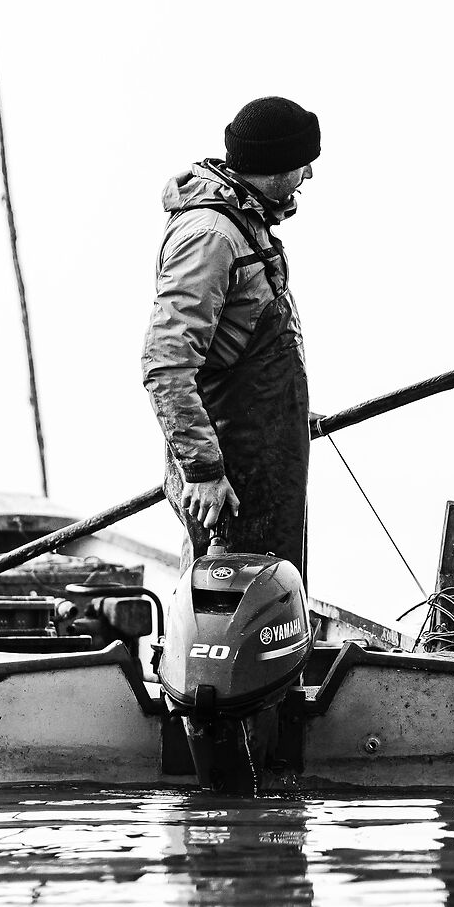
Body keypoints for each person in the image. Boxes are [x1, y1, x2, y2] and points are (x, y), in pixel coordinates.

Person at [143, 95, 318, 573]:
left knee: (271, 601)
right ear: (273, 166)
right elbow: (167, 366)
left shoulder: (247, 221)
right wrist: (203, 471)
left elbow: (243, 339)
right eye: (302, 164)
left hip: (265, 463)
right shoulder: (211, 236)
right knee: (229, 615)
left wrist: (290, 413)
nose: (308, 176)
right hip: (232, 481)